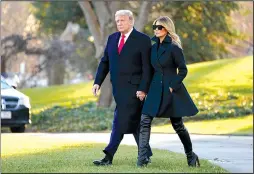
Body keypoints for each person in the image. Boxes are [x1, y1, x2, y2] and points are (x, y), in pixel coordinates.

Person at [136, 16, 200, 167]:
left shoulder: (174, 47)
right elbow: (149, 72)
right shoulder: (152, 48)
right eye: (155, 27)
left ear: (167, 29)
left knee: (177, 124)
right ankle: (142, 159)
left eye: (160, 27)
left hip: (170, 90)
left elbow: (183, 70)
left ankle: (191, 155)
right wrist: (144, 89)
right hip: (154, 89)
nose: (156, 30)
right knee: (145, 120)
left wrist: (173, 85)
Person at [92, 10, 153, 166]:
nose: (119, 23)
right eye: (117, 20)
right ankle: (145, 154)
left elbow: (147, 67)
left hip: (135, 90)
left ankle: (108, 156)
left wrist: (143, 89)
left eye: (122, 20)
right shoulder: (112, 39)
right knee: (133, 122)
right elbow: (105, 62)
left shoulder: (143, 40)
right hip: (118, 89)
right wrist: (97, 82)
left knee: (119, 120)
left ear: (131, 21)